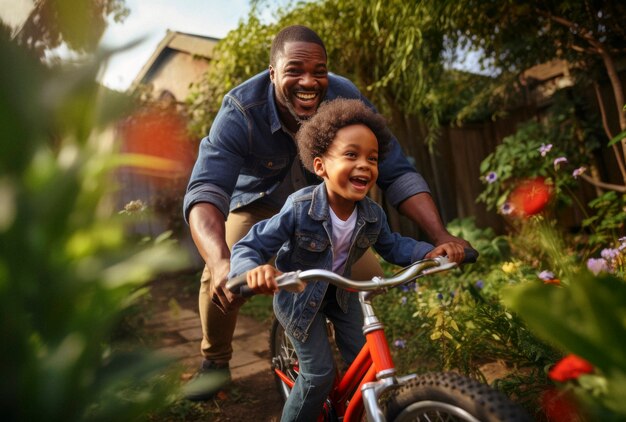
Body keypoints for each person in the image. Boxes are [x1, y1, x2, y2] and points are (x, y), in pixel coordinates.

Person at [183, 24, 467, 400]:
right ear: (272, 73)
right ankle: (215, 361)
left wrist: (440, 237)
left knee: (368, 278)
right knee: (225, 269)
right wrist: (220, 262)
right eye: (295, 70)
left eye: (319, 71)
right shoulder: (241, 110)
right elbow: (206, 189)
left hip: (325, 207)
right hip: (260, 206)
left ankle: (351, 370)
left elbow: (397, 170)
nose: (309, 81)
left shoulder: (345, 97)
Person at [229, 98, 462, 421]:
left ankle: (354, 410)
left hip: (341, 294)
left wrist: (429, 252)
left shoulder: (371, 214)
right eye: (351, 155)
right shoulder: (300, 207)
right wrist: (252, 270)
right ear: (321, 165)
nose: (365, 164)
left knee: (365, 366)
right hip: (299, 299)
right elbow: (249, 245)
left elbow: (393, 246)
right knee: (319, 375)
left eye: (373, 158)